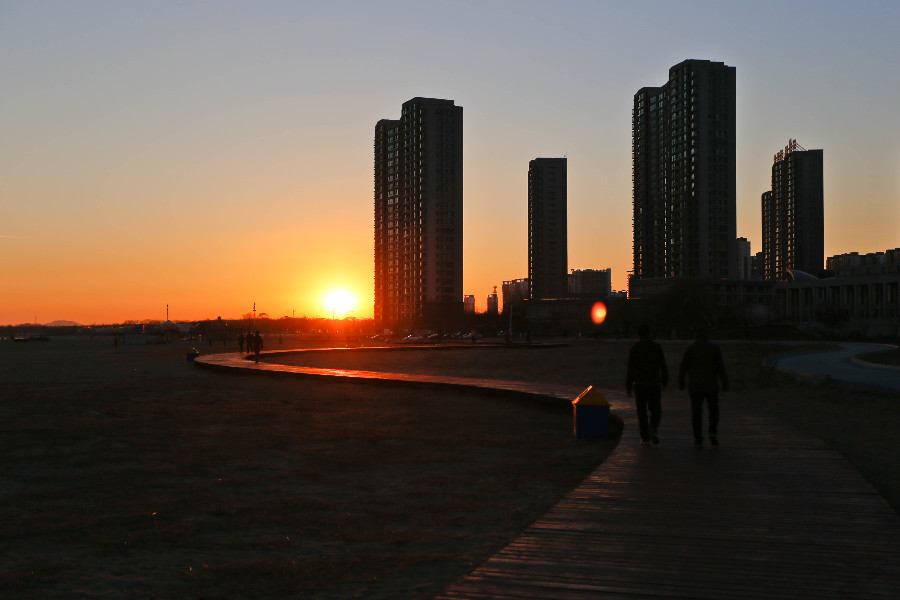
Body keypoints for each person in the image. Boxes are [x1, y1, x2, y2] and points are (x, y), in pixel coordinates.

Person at [678, 327, 729, 446]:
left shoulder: (690, 348)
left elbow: (683, 367)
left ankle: (698, 436)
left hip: (695, 386)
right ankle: (712, 431)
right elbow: (720, 367)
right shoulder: (714, 348)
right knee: (713, 410)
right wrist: (725, 383)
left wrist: (681, 383)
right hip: (711, 385)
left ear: (695, 335)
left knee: (696, 412)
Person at [625, 323, 668, 445]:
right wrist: (664, 381)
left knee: (641, 411)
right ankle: (653, 427)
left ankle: (644, 437)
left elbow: (630, 369)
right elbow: (662, 365)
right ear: (649, 333)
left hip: (639, 384)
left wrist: (628, 386)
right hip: (654, 383)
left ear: (638, 334)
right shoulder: (656, 347)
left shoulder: (635, 348)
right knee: (656, 410)